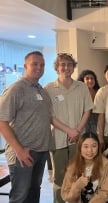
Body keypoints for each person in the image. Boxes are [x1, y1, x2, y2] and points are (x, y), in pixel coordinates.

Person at [0, 51, 53, 203]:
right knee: (20, 196)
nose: (39, 67)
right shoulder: (16, 89)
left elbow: (49, 118)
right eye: (34, 64)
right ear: (25, 66)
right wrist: (19, 150)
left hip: (41, 151)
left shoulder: (41, 91)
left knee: (34, 193)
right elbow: (2, 121)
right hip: (23, 153)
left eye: (42, 65)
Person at [44, 53, 94, 203]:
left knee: (79, 175)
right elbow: (50, 116)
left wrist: (77, 130)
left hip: (78, 140)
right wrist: (69, 130)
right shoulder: (49, 89)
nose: (66, 67)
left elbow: (88, 110)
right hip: (58, 140)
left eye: (69, 64)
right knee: (60, 178)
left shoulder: (82, 87)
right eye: (62, 65)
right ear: (57, 67)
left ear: (73, 67)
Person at [61, 132, 108, 203]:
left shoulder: (105, 164)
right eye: (86, 146)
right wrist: (77, 185)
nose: (90, 150)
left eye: (94, 146)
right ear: (80, 148)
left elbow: (106, 191)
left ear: (98, 147)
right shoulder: (72, 166)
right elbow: (66, 196)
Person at [77, 69, 101, 133]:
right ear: (82, 81)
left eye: (92, 78)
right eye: (87, 78)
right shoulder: (78, 93)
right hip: (83, 123)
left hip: (97, 122)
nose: (90, 80)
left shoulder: (99, 92)